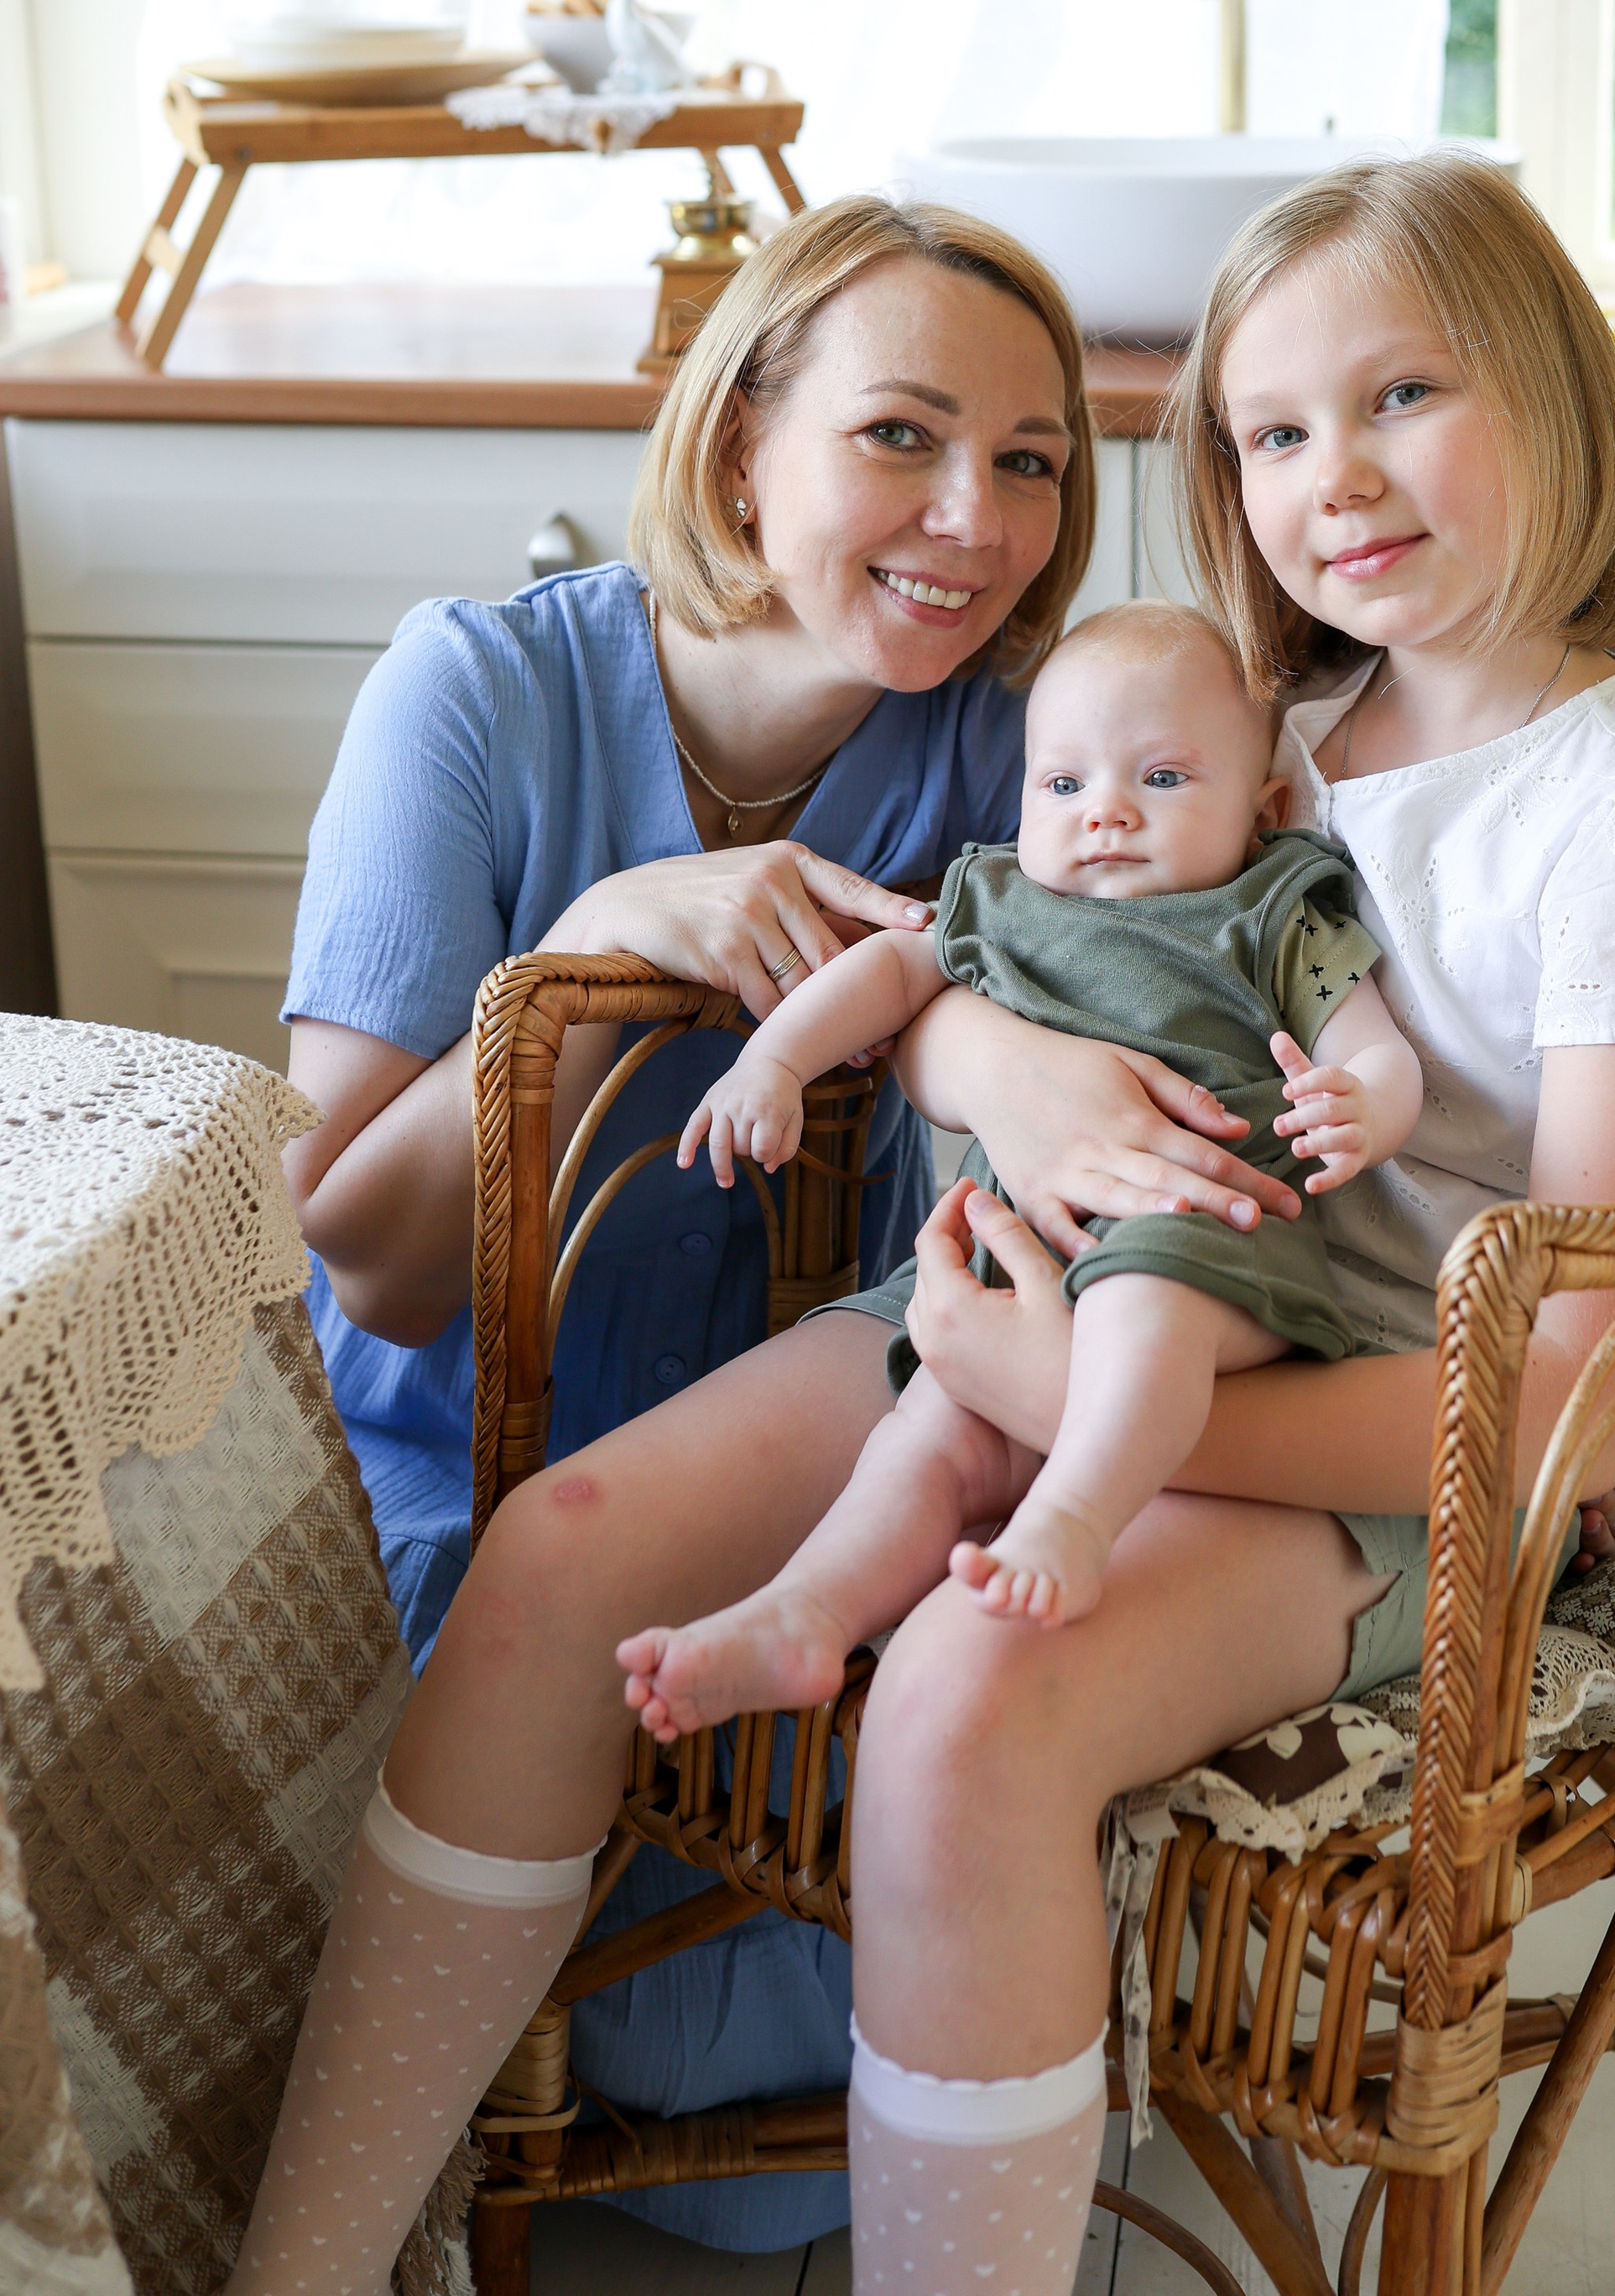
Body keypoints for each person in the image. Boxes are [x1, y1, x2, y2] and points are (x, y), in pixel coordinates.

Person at [228, 154, 1615, 2296]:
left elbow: (1541, 1410)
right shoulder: (1258, 737)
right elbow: (980, 957)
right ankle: (304, 2267)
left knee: (964, 1700)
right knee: (557, 1553)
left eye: (1400, 397)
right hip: (993, 1312)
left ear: (1552, 390)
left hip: (1330, 1450)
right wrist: (990, 1232)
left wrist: (1064, 1398)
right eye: (1269, 433)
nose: (1331, 479)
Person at [258, 191, 1111, 2265]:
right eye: (898, 436)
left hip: (800, 1521)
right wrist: (576, 955)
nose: (970, 517)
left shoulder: (1026, 755)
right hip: (466, 1495)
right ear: (742, 441)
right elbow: (353, 1251)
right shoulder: (468, 695)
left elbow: (1126, 1104)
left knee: (775, 2128)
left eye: (1026, 463)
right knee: (661, 2041)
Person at [620, 599, 1422, 1730]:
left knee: (1145, 1308)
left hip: (1205, 1241)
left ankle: (1075, 1518)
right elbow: (889, 979)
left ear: (1264, 806)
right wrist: (774, 1064)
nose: (1104, 814)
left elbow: (1373, 1047)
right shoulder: (1002, 899)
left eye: (1162, 779)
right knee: (931, 1435)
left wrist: (1364, 1109)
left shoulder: (1273, 903)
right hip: (1022, 1257)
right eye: (1063, 785)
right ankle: (805, 1614)